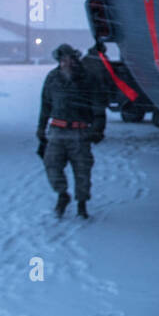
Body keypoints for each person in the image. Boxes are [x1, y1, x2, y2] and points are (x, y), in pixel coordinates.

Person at [36, 43, 105, 218]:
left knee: (82, 171)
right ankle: (62, 195)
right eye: (63, 59)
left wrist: (98, 129)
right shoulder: (52, 78)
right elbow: (45, 105)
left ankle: (82, 204)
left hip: (80, 133)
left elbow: (98, 106)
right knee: (52, 166)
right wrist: (41, 129)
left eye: (70, 59)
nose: (67, 63)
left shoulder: (87, 79)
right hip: (57, 132)